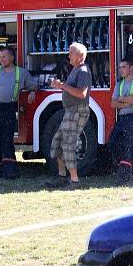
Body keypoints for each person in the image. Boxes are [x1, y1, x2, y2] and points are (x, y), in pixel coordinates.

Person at [0, 46, 39, 179]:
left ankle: (10, 171)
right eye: (0, 57)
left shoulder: (21, 73)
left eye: (4, 57)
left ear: (12, 58)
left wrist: (33, 91)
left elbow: (33, 85)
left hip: (9, 108)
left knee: (7, 139)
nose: (1, 60)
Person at [45, 42, 91, 190]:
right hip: (70, 111)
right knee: (57, 142)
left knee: (68, 143)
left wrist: (62, 86)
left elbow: (81, 93)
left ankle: (75, 181)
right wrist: (60, 85)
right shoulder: (76, 69)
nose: (68, 55)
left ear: (80, 56)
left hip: (77, 110)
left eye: (71, 53)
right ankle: (62, 176)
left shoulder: (83, 71)